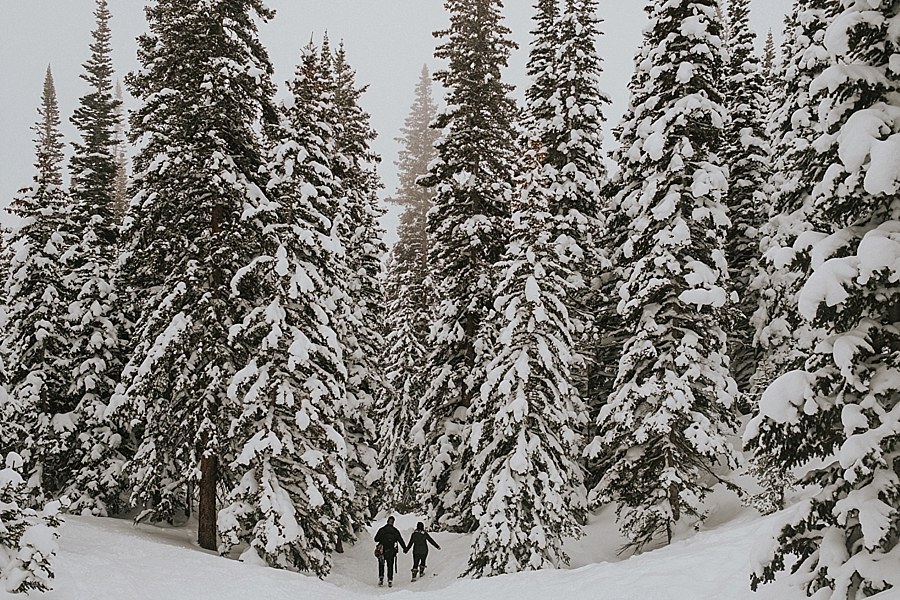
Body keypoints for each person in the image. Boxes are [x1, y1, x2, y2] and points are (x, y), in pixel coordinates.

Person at [374, 516, 407, 587]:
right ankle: (390, 579)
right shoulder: (395, 531)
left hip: (382, 550)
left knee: (381, 564)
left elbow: (376, 539)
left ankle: (381, 578)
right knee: (390, 565)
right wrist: (405, 548)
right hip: (391, 551)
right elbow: (400, 540)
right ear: (393, 522)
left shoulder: (382, 530)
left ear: (387, 521)